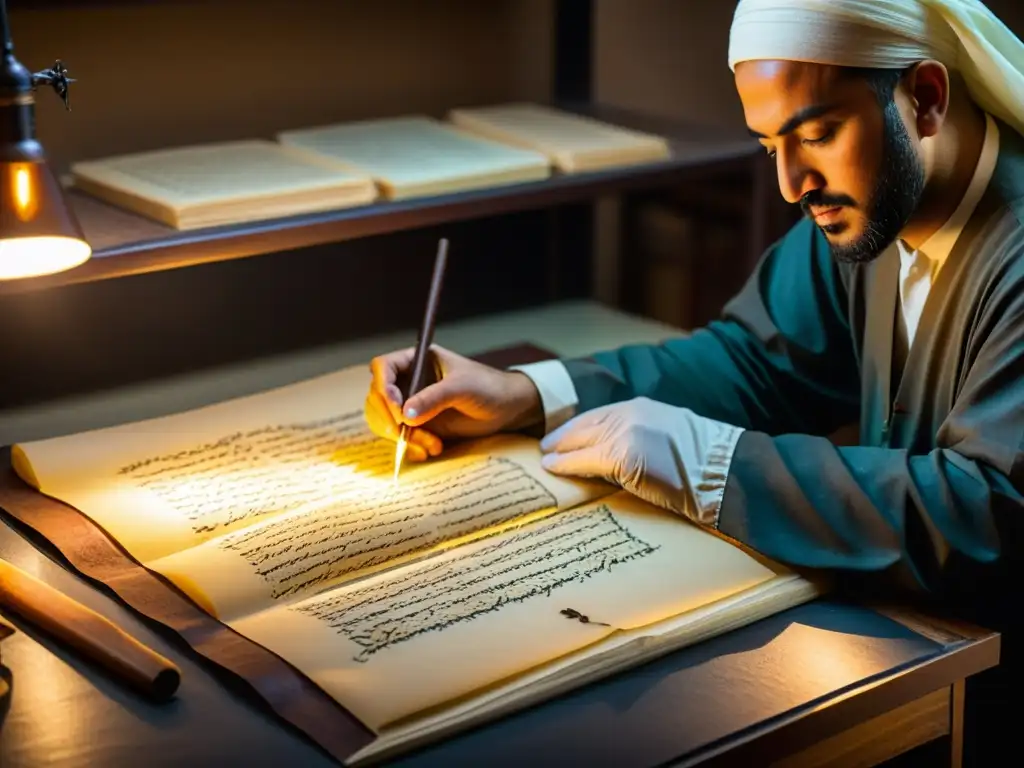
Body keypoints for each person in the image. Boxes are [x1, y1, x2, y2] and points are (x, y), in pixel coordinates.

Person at [366, 0, 1023, 762]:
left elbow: (991, 515)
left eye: (815, 135)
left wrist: (710, 465)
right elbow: (754, 362)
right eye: (769, 144)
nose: (789, 184)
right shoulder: (872, 203)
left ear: (928, 97)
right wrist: (527, 393)